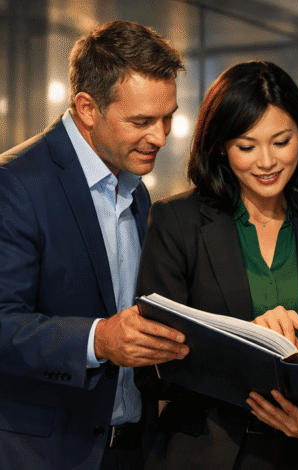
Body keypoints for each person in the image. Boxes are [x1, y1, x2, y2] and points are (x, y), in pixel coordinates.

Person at [135, 60, 298, 470]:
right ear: (221, 145)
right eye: (246, 146)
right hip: (205, 453)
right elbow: (151, 371)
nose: (267, 161)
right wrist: (243, 344)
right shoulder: (176, 222)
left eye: (281, 141)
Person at [0, 20, 187, 470]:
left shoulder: (135, 188)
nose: (160, 137)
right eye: (142, 121)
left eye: (168, 118)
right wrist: (98, 340)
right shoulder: (14, 184)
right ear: (86, 108)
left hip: (132, 450)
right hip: (46, 455)